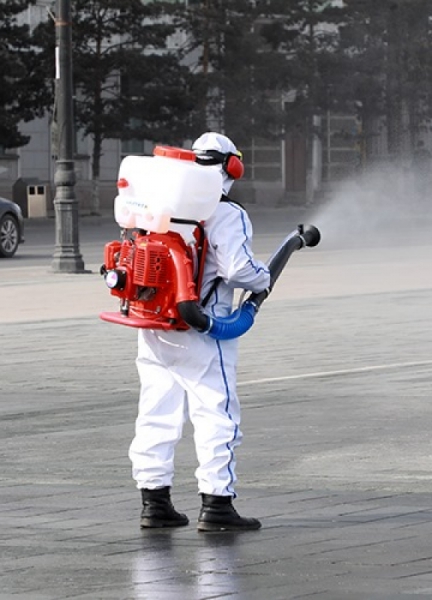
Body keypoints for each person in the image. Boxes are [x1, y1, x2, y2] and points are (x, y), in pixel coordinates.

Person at [128, 132, 271, 532]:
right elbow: (239, 270)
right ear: (231, 168)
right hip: (204, 328)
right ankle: (218, 504)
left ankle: (154, 502)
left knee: (157, 410)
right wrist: (262, 279)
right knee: (216, 412)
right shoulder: (226, 214)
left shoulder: (164, 207)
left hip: (156, 325)